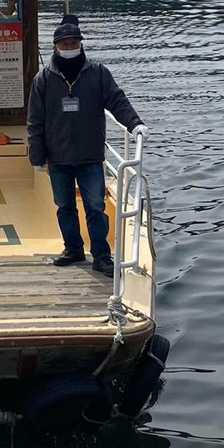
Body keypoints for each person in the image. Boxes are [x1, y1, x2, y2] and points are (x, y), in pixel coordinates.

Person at [26, 15, 143, 276]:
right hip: (58, 157)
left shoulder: (98, 73)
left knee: (95, 207)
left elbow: (117, 100)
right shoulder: (43, 79)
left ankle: (102, 256)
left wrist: (135, 124)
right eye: (64, 44)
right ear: (55, 46)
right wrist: (37, 157)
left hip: (90, 156)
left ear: (81, 44)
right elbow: (35, 121)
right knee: (64, 207)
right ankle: (73, 249)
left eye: (73, 43)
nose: (69, 47)